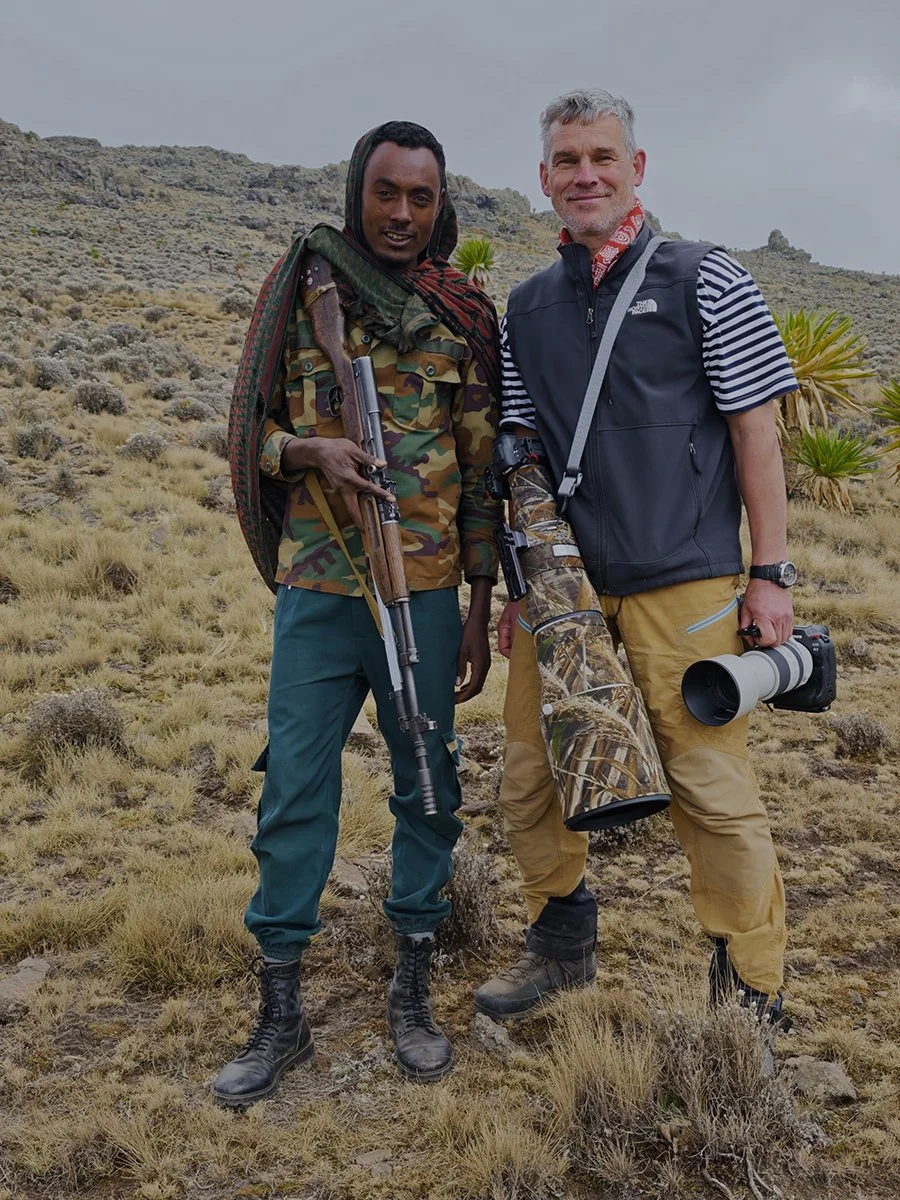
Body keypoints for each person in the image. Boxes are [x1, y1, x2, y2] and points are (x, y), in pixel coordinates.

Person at [474, 90, 799, 1042]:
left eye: (602, 158)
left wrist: (769, 575)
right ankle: (562, 938)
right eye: (567, 161)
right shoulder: (526, 306)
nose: (585, 176)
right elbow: (522, 447)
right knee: (531, 773)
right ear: (543, 181)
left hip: (686, 579)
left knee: (708, 786)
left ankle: (750, 991)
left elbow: (757, 434)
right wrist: (522, 583)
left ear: (637, 168)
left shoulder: (707, 279)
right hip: (565, 587)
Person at [216, 121, 501, 1104]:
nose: (401, 215)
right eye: (386, 193)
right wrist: (311, 455)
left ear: (439, 205)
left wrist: (477, 601)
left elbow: (479, 470)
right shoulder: (304, 288)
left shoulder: (462, 313)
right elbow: (248, 427)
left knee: (428, 780)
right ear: (357, 193)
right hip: (319, 588)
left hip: (421, 597)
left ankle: (412, 976)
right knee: (294, 788)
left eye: (421, 198)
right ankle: (281, 1005)